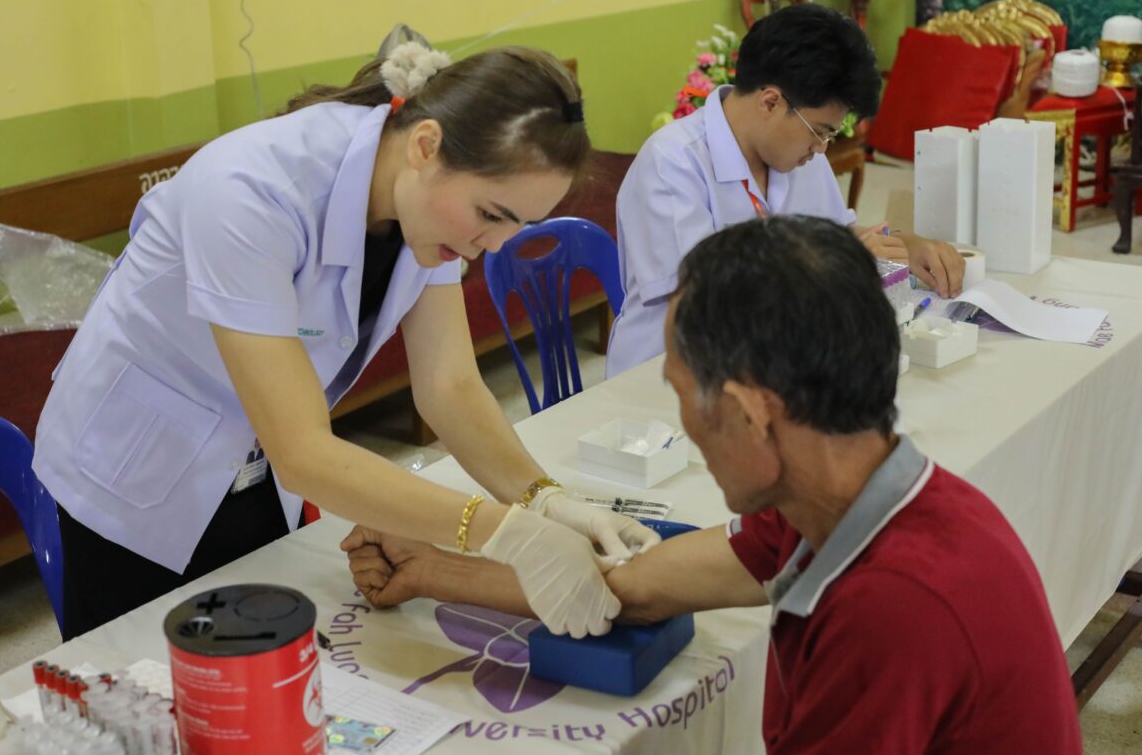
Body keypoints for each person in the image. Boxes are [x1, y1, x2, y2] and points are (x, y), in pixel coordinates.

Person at [342, 216, 1082, 753]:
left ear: (750, 409)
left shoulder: (891, 607)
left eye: (681, 391)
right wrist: (433, 568)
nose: (686, 427)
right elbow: (629, 587)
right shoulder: (842, 490)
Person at [33, 36, 659, 641]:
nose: (493, 245)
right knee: (144, 685)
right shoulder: (249, 191)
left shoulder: (431, 203)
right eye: (493, 216)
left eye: (518, 224)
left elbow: (449, 385)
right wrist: (505, 533)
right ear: (425, 144)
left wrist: (544, 500)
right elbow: (304, 452)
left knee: (258, 661)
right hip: (135, 471)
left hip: (251, 464)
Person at [605, 3, 965, 377]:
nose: (823, 147)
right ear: (770, 102)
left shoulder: (798, 155)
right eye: (821, 131)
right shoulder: (672, 165)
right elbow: (705, 304)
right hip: (669, 378)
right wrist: (842, 264)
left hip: (769, 364)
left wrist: (905, 246)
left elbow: (837, 235)